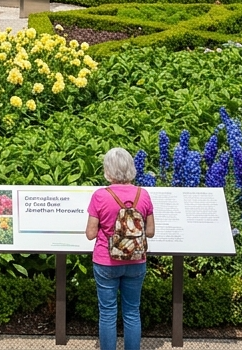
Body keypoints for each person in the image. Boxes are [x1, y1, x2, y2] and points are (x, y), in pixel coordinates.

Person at [85, 147, 154, 350]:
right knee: (132, 311)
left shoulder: (100, 196)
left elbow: (90, 234)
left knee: (107, 312)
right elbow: (149, 232)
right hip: (136, 260)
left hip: (106, 261)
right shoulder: (144, 194)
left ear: (108, 171)